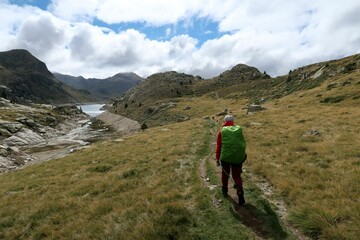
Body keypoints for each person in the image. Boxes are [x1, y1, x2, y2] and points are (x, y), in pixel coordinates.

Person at [215, 115, 247, 205]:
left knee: (225, 174)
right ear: (233, 122)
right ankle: (240, 191)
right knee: (237, 176)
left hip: (226, 158)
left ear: (224, 122)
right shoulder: (238, 130)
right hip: (238, 157)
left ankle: (224, 191)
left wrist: (217, 158)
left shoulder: (222, 132)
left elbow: (219, 147)